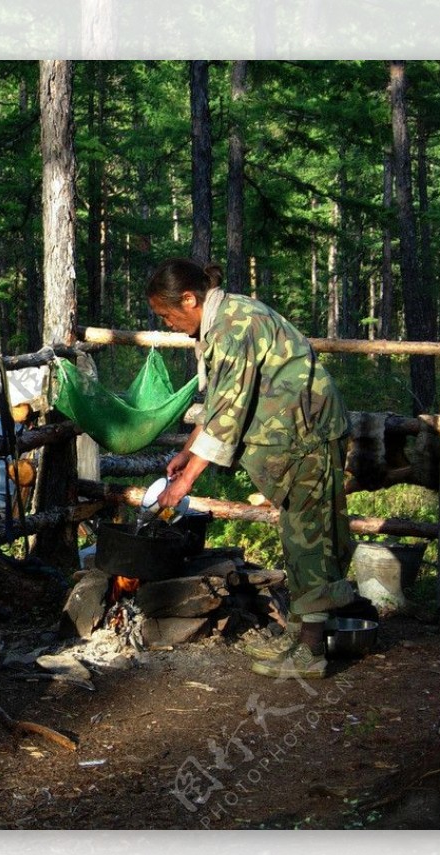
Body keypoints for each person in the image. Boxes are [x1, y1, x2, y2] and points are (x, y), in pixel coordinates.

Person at [146, 257, 356, 679]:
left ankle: (311, 653)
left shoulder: (234, 327)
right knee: (298, 533)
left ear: (190, 299)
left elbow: (227, 417)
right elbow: (220, 400)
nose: (166, 323)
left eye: (167, 314)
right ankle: (300, 637)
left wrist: (182, 485)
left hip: (309, 433)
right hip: (293, 434)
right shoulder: (223, 323)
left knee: (311, 538)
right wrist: (188, 451)